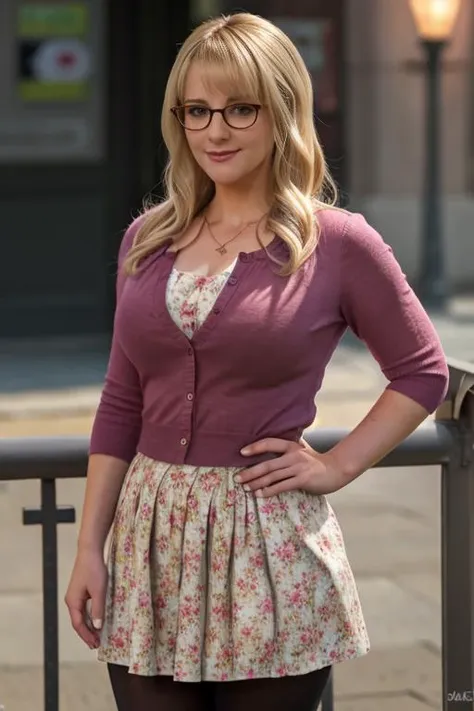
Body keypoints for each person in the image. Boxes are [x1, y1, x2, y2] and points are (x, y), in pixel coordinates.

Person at [65, 11, 449, 711]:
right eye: (198, 110)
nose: (216, 130)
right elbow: (122, 398)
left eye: (241, 108)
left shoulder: (336, 243)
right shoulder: (148, 240)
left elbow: (422, 370)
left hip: (267, 550)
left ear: (282, 112)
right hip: (151, 544)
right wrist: (90, 545)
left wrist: (338, 464)